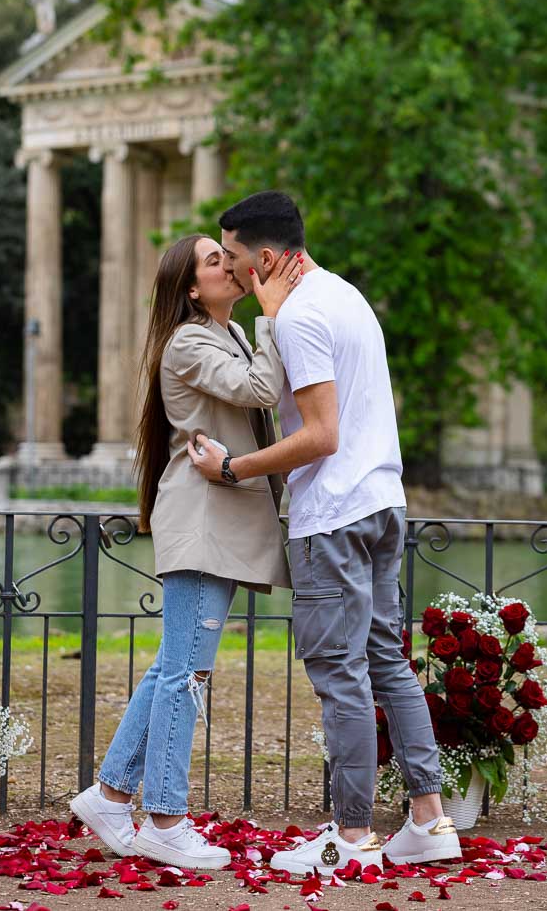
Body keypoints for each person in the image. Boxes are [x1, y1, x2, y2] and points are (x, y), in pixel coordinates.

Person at [190, 192, 461, 873]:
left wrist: (234, 469)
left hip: (333, 515)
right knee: (386, 661)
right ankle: (428, 822)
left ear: (270, 257)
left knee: (339, 675)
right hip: (382, 502)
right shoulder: (343, 295)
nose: (234, 274)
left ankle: (349, 835)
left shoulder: (301, 316)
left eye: (238, 261)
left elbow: (319, 434)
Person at [71, 233, 302, 869]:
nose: (230, 264)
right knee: (184, 675)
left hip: (216, 525)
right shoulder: (191, 340)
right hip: (203, 527)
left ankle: (113, 794)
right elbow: (259, 390)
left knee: (175, 666)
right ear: (192, 288)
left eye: (227, 255)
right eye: (214, 260)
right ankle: (166, 819)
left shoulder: (218, 335)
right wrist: (275, 316)